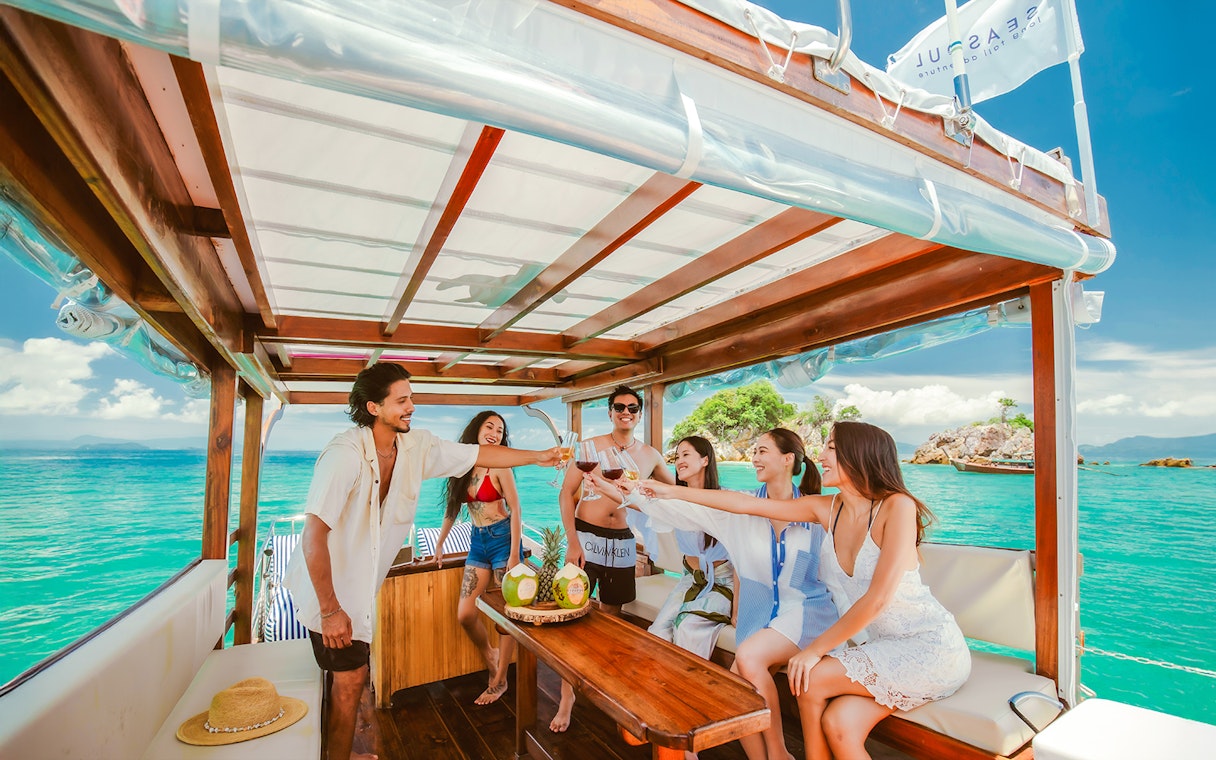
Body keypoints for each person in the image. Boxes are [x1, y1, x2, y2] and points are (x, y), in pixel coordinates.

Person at [641, 421, 970, 760]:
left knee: (810, 678)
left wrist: (814, 650)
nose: (821, 455)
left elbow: (878, 599)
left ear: (858, 454)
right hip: (884, 646)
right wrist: (672, 491)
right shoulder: (827, 508)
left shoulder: (897, 506)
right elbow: (744, 504)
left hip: (930, 647)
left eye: (830, 447)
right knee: (840, 725)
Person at [282, 363, 559, 760]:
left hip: (355, 599)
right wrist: (329, 611)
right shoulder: (343, 455)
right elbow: (313, 536)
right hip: (329, 596)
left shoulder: (416, 448)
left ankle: (338, 754)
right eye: (402, 400)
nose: (412, 406)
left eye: (411, 397)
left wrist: (540, 456)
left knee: (346, 683)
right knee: (349, 684)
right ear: (374, 407)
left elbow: (479, 452)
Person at [624, 428, 838, 760]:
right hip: (762, 618)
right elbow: (687, 510)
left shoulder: (815, 512)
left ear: (787, 459)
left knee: (748, 660)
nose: (754, 458)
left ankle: (780, 754)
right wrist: (631, 490)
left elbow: (842, 572)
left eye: (762, 451)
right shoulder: (742, 506)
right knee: (737, 690)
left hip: (807, 614)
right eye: (753, 450)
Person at [550, 384, 676, 733]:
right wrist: (572, 542)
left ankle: (601, 686)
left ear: (639, 413)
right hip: (585, 537)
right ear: (610, 411)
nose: (626, 412)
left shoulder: (650, 455)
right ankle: (566, 698)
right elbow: (565, 495)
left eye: (633, 408)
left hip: (622, 543)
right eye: (619, 406)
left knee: (611, 621)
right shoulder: (590, 447)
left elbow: (675, 490)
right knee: (572, 616)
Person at [434, 411, 523, 705]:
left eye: (500, 430)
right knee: (465, 614)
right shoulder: (463, 465)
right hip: (477, 541)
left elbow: (516, 511)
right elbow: (451, 508)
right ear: (476, 430)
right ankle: (490, 653)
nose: (495, 433)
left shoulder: (502, 467)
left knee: (504, 615)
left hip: (503, 541)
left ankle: (499, 681)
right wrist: (439, 544)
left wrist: (514, 556)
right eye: (489, 427)